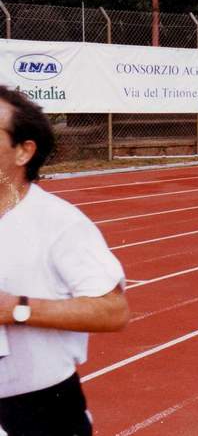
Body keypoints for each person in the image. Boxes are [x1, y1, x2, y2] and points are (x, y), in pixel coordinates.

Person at [0, 86, 129, 435]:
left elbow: (112, 310)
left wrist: (18, 309)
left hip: (37, 409)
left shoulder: (59, 223)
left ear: (24, 152)